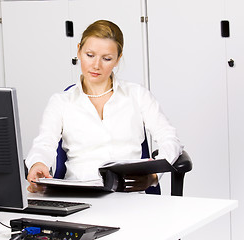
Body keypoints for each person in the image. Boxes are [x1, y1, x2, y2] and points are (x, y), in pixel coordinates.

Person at [25, 20, 183, 193]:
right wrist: (38, 163)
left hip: (130, 198)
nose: (96, 65)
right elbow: (44, 143)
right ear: (78, 50)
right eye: (90, 55)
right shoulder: (61, 102)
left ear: (118, 59)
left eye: (107, 58)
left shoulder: (137, 95)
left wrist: (154, 175)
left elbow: (169, 138)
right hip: (80, 198)